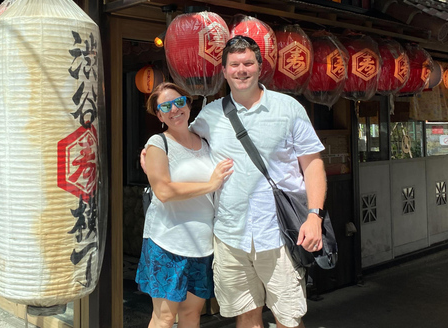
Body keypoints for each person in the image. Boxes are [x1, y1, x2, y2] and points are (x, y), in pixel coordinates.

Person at [143, 36, 326, 328]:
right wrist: (153, 152)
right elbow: (181, 139)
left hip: (278, 233)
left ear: (259, 67)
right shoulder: (211, 115)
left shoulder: (289, 108)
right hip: (230, 237)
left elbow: (313, 164)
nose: (241, 70)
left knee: (288, 318)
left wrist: (314, 215)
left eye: (248, 63)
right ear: (225, 72)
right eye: (234, 65)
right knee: (246, 315)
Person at [136, 82, 234, 328]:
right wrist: (210, 185)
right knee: (165, 317)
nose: (174, 110)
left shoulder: (205, 141)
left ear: (189, 105)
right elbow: (164, 191)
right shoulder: (158, 143)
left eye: (179, 102)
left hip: (202, 244)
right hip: (167, 242)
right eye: (165, 106)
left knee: (192, 314)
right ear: (159, 115)